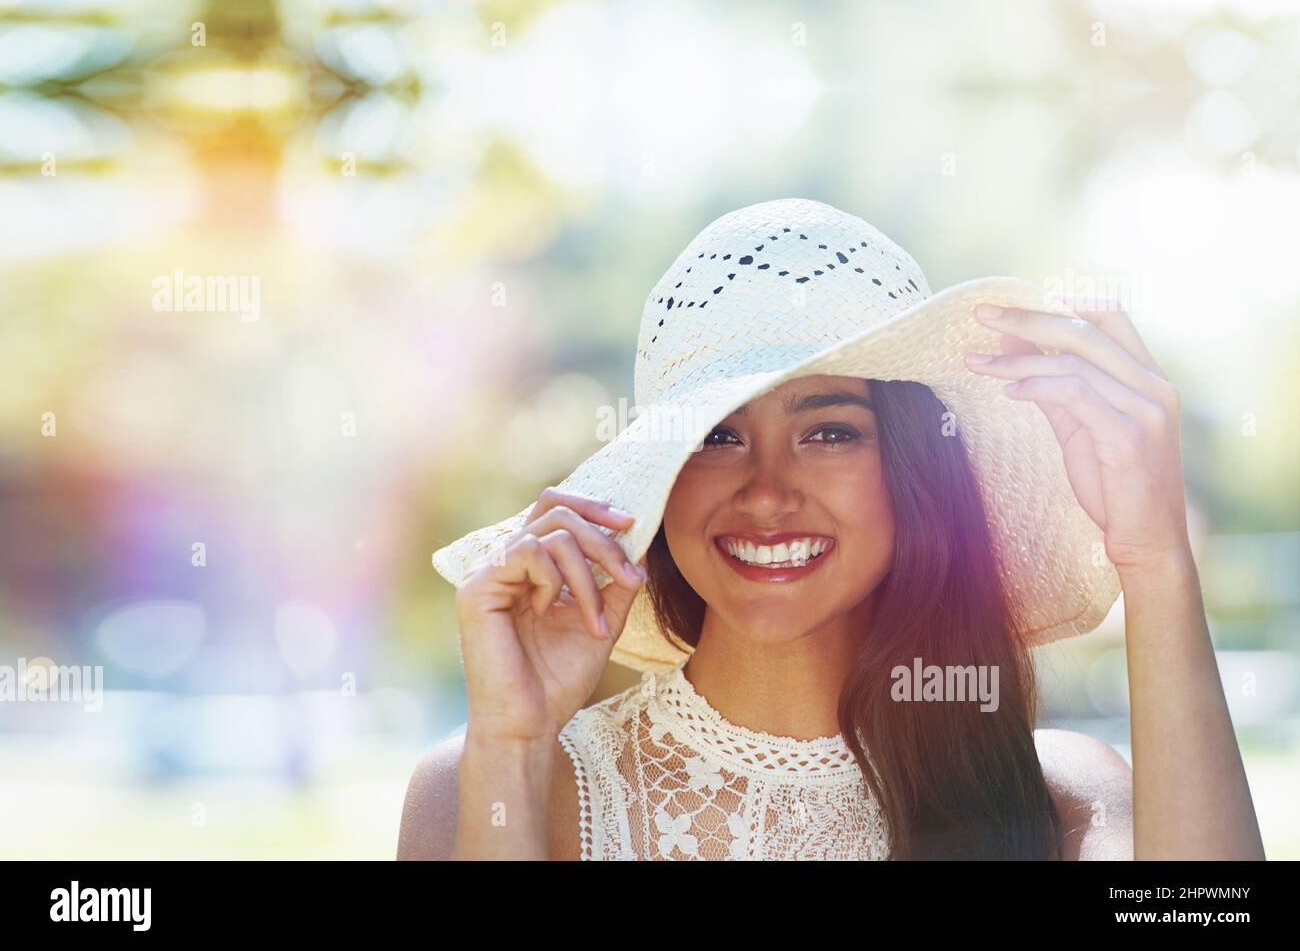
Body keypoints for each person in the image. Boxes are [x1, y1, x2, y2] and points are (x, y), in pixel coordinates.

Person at [398, 199, 1265, 860]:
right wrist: (511, 748)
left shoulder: (1065, 799)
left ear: (912, 469)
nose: (767, 492)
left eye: (829, 431)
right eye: (717, 436)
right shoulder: (490, 785)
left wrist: (1156, 566)